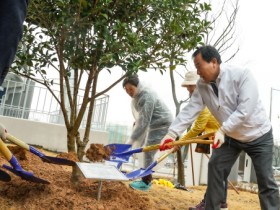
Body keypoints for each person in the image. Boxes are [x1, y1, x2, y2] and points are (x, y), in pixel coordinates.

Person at [160, 45, 280, 210]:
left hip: (258, 135)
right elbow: (190, 110)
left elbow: (246, 110)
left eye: (199, 66)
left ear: (214, 62)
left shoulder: (242, 75)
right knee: (215, 167)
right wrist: (172, 134)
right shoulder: (202, 85)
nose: (198, 72)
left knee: (266, 181)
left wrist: (222, 130)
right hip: (231, 136)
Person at [179, 71, 228, 210]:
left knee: (216, 172)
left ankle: (209, 203)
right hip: (219, 138)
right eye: (187, 86)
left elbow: (197, 128)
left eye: (191, 86)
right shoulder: (200, 101)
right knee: (220, 172)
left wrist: (181, 142)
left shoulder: (205, 101)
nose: (188, 89)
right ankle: (222, 203)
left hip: (224, 138)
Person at [123, 74, 173, 191]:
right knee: (146, 150)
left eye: (131, 89)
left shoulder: (147, 96)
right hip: (154, 124)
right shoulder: (138, 97)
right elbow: (141, 118)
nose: (129, 92)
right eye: (126, 90)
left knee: (148, 151)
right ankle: (145, 179)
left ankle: (145, 183)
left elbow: (144, 122)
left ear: (138, 86)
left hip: (162, 124)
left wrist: (131, 140)